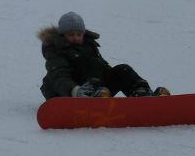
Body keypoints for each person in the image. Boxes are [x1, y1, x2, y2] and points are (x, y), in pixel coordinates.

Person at [38, 12, 171, 99]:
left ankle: (141, 93)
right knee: (93, 63)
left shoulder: (88, 46)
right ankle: (92, 93)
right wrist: (75, 91)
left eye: (78, 34)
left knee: (122, 69)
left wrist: (118, 76)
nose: (75, 38)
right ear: (63, 35)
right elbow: (59, 75)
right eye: (71, 35)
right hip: (64, 92)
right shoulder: (56, 49)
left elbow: (101, 68)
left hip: (97, 89)